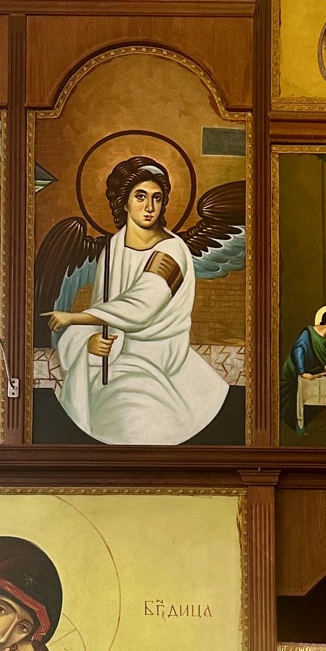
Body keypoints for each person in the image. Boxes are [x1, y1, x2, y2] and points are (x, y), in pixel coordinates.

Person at [47, 155, 227, 444]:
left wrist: (74, 318)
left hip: (159, 358)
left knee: (132, 417)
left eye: (157, 198)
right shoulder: (113, 248)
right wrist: (91, 344)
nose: (150, 206)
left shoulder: (172, 250)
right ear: (124, 201)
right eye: (140, 196)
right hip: (114, 359)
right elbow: (103, 311)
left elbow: (141, 306)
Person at [279, 306, 326, 431]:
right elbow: (298, 351)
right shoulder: (308, 334)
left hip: (314, 371)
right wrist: (302, 372)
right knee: (295, 399)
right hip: (295, 370)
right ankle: (298, 426)